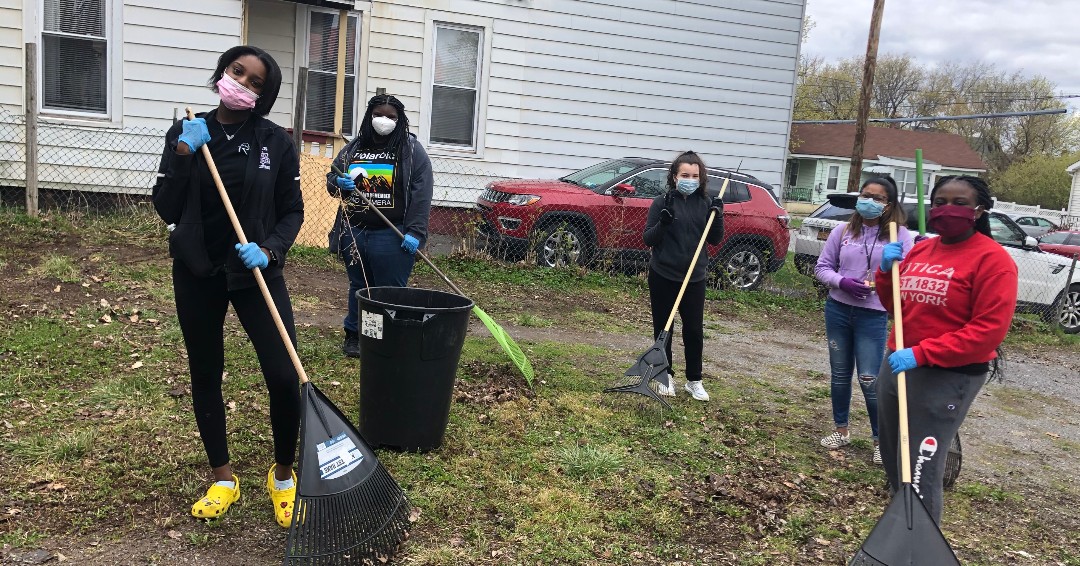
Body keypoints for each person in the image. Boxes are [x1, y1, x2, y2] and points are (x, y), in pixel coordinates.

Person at [152, 45, 304, 528]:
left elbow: (292, 210)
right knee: (206, 372)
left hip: (255, 273)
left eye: (257, 81)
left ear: (265, 95)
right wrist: (183, 151)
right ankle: (222, 477)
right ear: (222, 72)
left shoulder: (275, 142)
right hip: (198, 270)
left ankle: (282, 475)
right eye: (238, 71)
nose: (244, 82)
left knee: (284, 375)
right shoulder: (186, 131)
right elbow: (165, 207)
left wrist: (272, 249)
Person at [874, 175, 1017, 523]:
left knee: (921, 468)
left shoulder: (994, 261)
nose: (946, 209)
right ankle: (899, 531)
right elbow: (898, 307)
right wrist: (883, 272)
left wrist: (922, 354)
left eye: (959, 203)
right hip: (898, 364)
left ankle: (920, 549)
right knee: (895, 457)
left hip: (948, 374)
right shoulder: (923, 249)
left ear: (980, 209)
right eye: (939, 202)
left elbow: (987, 332)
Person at [326, 94, 434, 358]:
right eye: (378, 114)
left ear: (400, 120)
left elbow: (422, 192)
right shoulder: (354, 148)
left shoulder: (410, 150)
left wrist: (415, 233)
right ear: (369, 116)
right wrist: (337, 183)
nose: (384, 120)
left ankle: (389, 339)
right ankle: (356, 336)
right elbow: (332, 176)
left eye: (391, 116)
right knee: (359, 287)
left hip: (393, 234)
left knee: (390, 292)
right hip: (355, 231)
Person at [814, 176, 911, 464]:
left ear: (889, 204)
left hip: (873, 314)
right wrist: (842, 282)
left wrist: (888, 268)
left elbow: (905, 275)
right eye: (865, 195)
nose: (869, 201)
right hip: (839, 309)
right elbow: (822, 268)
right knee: (840, 375)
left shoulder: (899, 235)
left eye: (878, 198)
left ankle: (881, 440)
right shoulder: (843, 231)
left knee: (870, 379)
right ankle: (841, 430)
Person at [642, 151, 724, 401]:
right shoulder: (662, 202)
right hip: (663, 274)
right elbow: (649, 238)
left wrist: (718, 216)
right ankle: (664, 376)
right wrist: (663, 224)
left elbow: (715, 239)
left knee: (693, 330)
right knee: (664, 328)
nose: (690, 179)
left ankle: (694, 380)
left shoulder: (706, 204)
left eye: (695, 175)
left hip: (694, 277)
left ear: (701, 178)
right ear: (675, 177)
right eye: (685, 175)